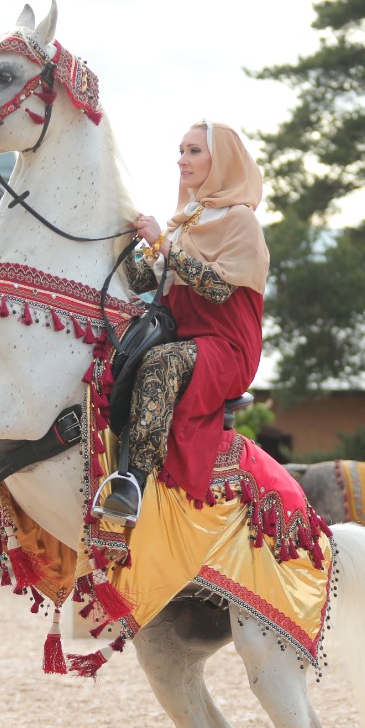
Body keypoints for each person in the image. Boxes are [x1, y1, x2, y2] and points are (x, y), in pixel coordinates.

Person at [97, 119, 269, 523]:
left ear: (221, 160)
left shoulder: (240, 221)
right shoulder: (185, 219)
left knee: (161, 362)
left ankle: (132, 483)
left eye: (194, 151)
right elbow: (141, 280)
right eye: (180, 151)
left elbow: (216, 289)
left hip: (226, 347)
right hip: (181, 336)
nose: (182, 161)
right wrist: (120, 234)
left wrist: (160, 242)